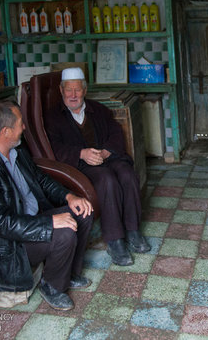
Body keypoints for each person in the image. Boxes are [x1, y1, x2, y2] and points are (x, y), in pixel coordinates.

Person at [0, 101, 94, 311]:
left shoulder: (16, 149)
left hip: (33, 222)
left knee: (83, 212)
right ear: (6, 131)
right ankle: (52, 287)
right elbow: (3, 224)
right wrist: (50, 221)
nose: (24, 127)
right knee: (64, 233)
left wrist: (69, 196)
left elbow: (40, 179)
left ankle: (68, 272)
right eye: (20, 124)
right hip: (10, 245)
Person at [44, 67, 149, 266]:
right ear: (61, 90)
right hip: (80, 167)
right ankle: (115, 240)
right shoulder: (53, 117)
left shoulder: (98, 110)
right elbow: (54, 148)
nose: (73, 95)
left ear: (84, 90)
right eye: (69, 90)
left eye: (77, 90)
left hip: (106, 158)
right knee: (107, 180)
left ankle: (133, 231)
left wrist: (106, 151)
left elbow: (116, 133)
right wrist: (81, 154)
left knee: (127, 174)